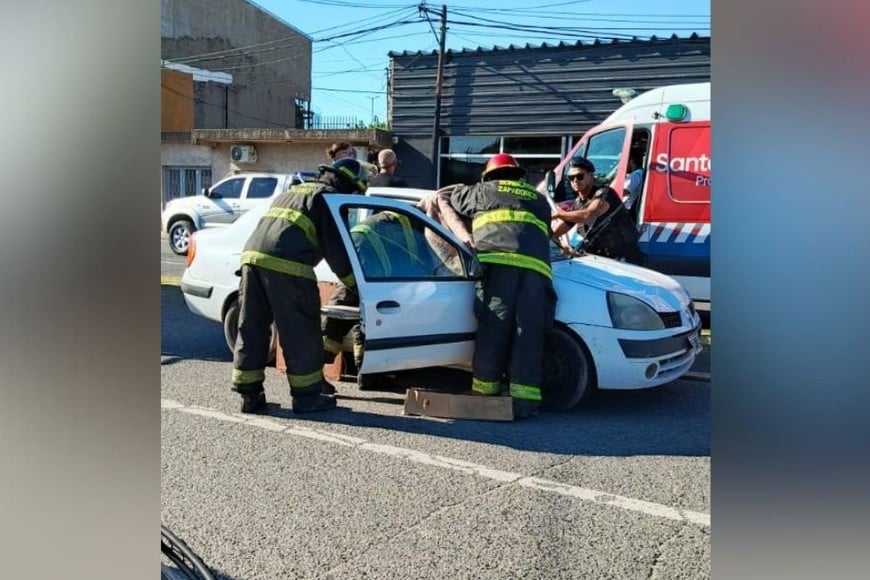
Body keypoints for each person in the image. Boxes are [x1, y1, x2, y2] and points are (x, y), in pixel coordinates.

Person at [231, 158, 368, 414]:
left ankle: (249, 396)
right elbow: (338, 252)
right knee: (301, 333)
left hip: (251, 260)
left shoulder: (295, 191)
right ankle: (307, 398)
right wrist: (358, 287)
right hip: (288, 266)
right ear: (350, 186)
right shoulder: (327, 199)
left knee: (252, 327)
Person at [445, 153, 556, 419]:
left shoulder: (482, 191)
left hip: (497, 265)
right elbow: (543, 232)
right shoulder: (539, 200)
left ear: (489, 175)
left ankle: (485, 394)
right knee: (527, 334)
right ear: (518, 174)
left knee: (494, 327)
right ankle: (525, 401)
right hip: (537, 271)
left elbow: (453, 199)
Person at [551, 156, 643, 264]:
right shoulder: (578, 204)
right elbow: (556, 232)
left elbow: (588, 215)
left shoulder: (604, 193)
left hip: (624, 259)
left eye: (579, 176)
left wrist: (558, 215)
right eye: (571, 178)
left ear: (590, 176)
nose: (575, 180)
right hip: (603, 260)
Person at [622, 150, 644, 221]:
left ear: (631, 160)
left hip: (627, 209)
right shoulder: (640, 172)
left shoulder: (636, 174)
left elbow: (625, 192)